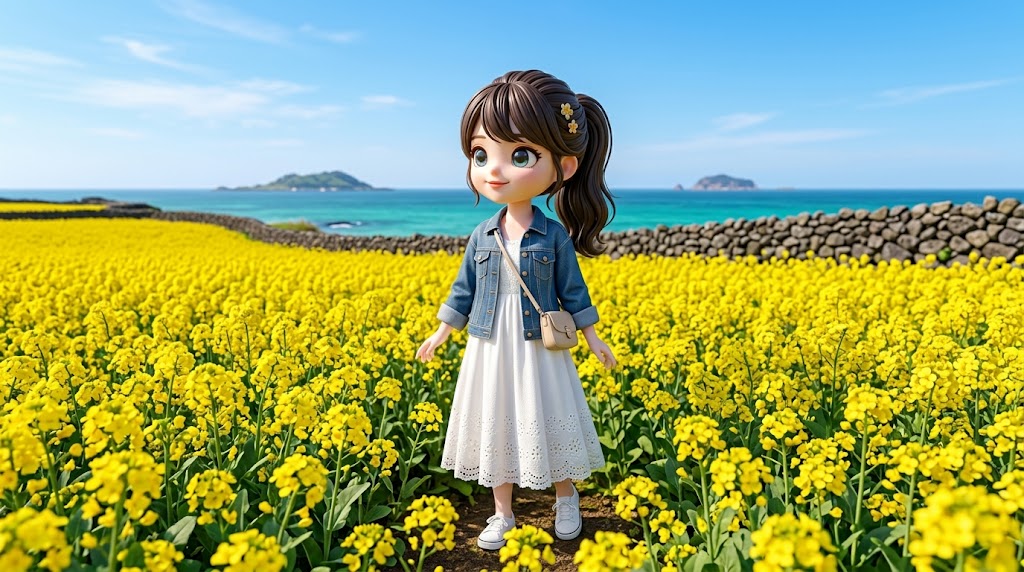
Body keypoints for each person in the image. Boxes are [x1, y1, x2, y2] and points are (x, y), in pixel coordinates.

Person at [415, 70, 618, 551]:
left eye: (520, 155)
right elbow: (463, 289)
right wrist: (442, 331)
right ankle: (502, 513)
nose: (494, 170)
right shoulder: (481, 235)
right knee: (496, 418)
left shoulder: (554, 236)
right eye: (480, 155)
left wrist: (594, 339)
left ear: (564, 167)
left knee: (549, 412)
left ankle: (565, 499)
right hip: (488, 339)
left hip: (538, 344)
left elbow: (574, 292)